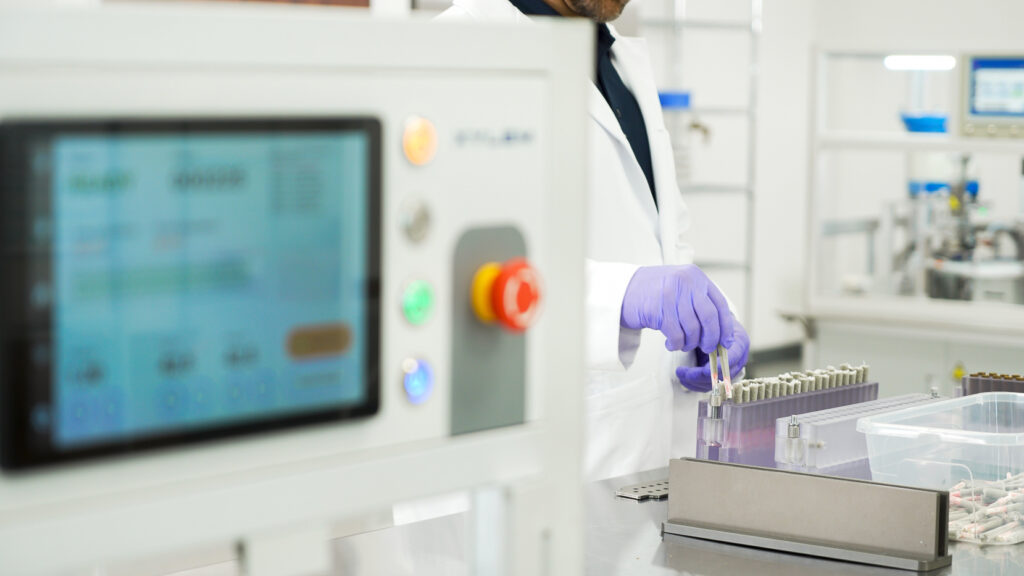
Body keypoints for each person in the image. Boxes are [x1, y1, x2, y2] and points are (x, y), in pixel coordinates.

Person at [439, 0, 750, 480]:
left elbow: (664, 234)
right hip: (521, 465)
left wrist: (710, 315)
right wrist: (622, 296)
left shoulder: (618, 60)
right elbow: (450, 271)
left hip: (640, 449)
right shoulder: (457, 52)